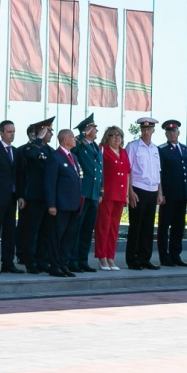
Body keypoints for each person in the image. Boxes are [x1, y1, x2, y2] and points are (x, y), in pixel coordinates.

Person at [42, 128, 85, 277]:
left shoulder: (73, 157)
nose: (75, 140)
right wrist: (51, 204)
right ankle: (55, 265)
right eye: (72, 137)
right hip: (60, 205)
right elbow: (50, 183)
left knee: (69, 236)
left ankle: (64, 264)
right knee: (57, 236)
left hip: (73, 205)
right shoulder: (55, 157)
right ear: (65, 140)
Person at [125, 117, 162, 270]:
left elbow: (158, 172)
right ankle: (132, 259)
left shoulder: (155, 149)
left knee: (148, 227)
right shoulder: (133, 146)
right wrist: (130, 192)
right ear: (141, 130)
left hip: (152, 190)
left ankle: (145, 258)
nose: (146, 132)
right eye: (144, 129)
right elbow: (128, 171)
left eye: (149, 129)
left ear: (153, 130)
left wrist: (160, 193)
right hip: (138, 188)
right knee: (136, 226)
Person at [156, 120, 187, 266]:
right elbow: (160, 172)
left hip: (182, 194)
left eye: (175, 131)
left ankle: (175, 255)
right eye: (170, 131)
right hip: (169, 195)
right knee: (164, 227)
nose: (173, 133)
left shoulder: (185, 149)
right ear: (166, 133)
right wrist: (162, 193)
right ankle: (164, 257)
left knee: (179, 227)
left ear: (178, 132)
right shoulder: (162, 150)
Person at [19, 118, 55, 272]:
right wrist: (38, 139)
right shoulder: (28, 149)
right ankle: (30, 262)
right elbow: (22, 172)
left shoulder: (50, 150)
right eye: (48, 132)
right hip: (34, 197)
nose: (51, 134)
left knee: (45, 232)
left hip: (47, 197)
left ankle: (42, 260)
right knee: (32, 232)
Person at [70, 115, 103, 273]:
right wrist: (81, 136)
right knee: (77, 228)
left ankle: (83, 260)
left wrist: (100, 190)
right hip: (83, 193)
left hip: (94, 194)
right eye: (93, 128)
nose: (96, 130)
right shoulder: (80, 145)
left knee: (87, 230)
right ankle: (73, 260)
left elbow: (100, 171)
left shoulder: (96, 147)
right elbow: (72, 150)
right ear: (87, 130)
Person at [0, 119, 21, 273]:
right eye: (9, 131)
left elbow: (18, 175)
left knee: (10, 231)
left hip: (12, 197)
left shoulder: (16, 151)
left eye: (13, 131)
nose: (11, 134)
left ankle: (8, 262)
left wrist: (20, 195)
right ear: (1, 133)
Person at [95, 126, 130, 270]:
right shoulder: (102, 149)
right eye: (113, 135)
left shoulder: (123, 152)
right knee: (104, 226)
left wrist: (127, 194)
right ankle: (102, 257)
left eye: (119, 135)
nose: (116, 138)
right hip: (107, 194)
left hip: (120, 195)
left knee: (114, 228)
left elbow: (127, 174)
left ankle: (111, 257)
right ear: (106, 137)